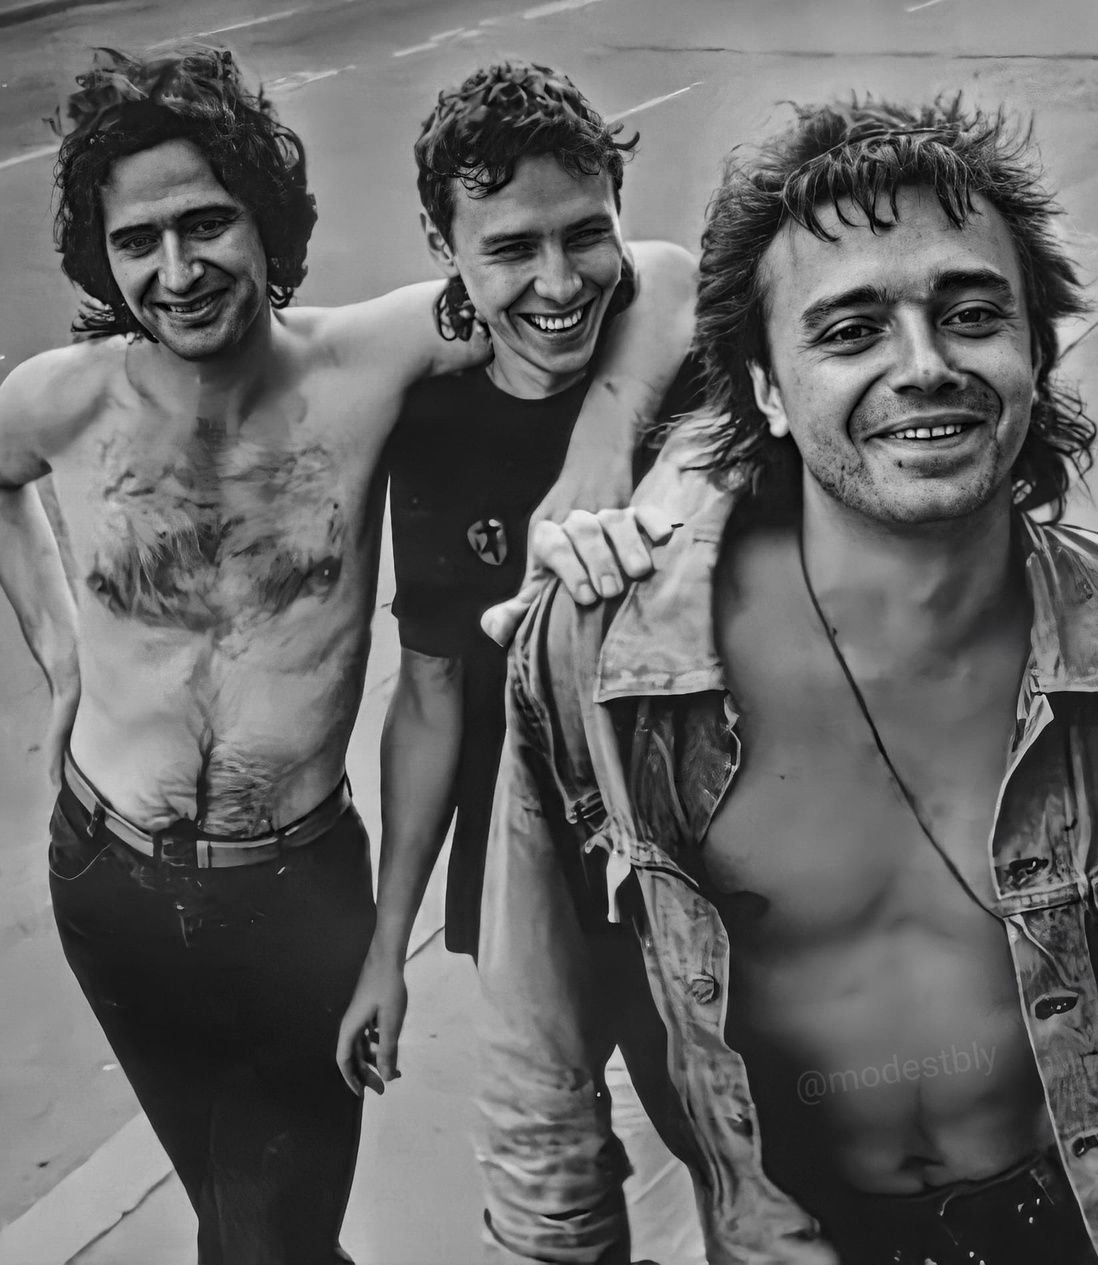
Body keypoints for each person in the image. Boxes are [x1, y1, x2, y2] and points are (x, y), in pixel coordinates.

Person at [473, 94, 1098, 1265]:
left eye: (970, 314)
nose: (924, 365)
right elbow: (540, 1076)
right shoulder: (606, 664)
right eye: (849, 330)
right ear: (761, 388)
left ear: (1035, 348)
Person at [0, 46, 689, 1265]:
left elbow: (659, 273)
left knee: (268, 1234)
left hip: (294, 891)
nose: (177, 270)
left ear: (264, 221)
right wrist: (59, 655)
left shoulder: (371, 358)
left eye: (207, 223)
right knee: (238, 1217)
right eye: (137, 242)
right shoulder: (61, 400)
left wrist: (602, 431)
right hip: (108, 882)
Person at [333, 61, 706, 1265]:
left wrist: (609, 428)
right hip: (529, 867)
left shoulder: (685, 372)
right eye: (509, 249)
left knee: (728, 1141)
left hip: (699, 866)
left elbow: (676, 271)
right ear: (442, 247)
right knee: (553, 1168)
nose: (557, 283)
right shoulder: (432, 427)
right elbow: (432, 695)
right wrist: (385, 950)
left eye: (583, 233)